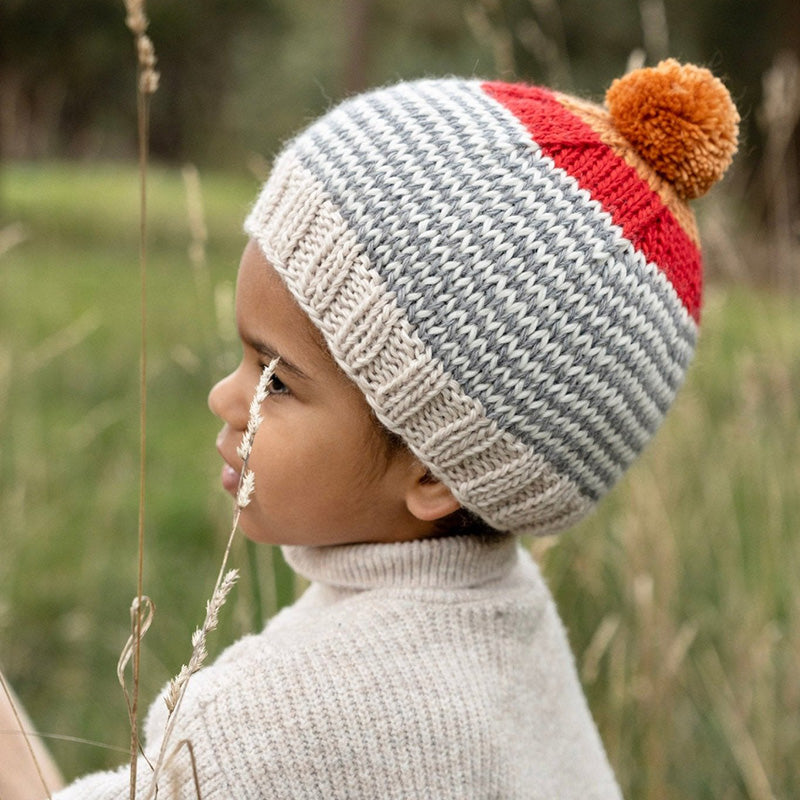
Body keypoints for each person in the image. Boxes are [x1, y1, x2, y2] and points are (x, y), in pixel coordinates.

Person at [1, 58, 738, 799]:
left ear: (435, 472)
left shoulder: (273, 729)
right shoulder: (512, 625)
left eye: (276, 380)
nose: (226, 397)